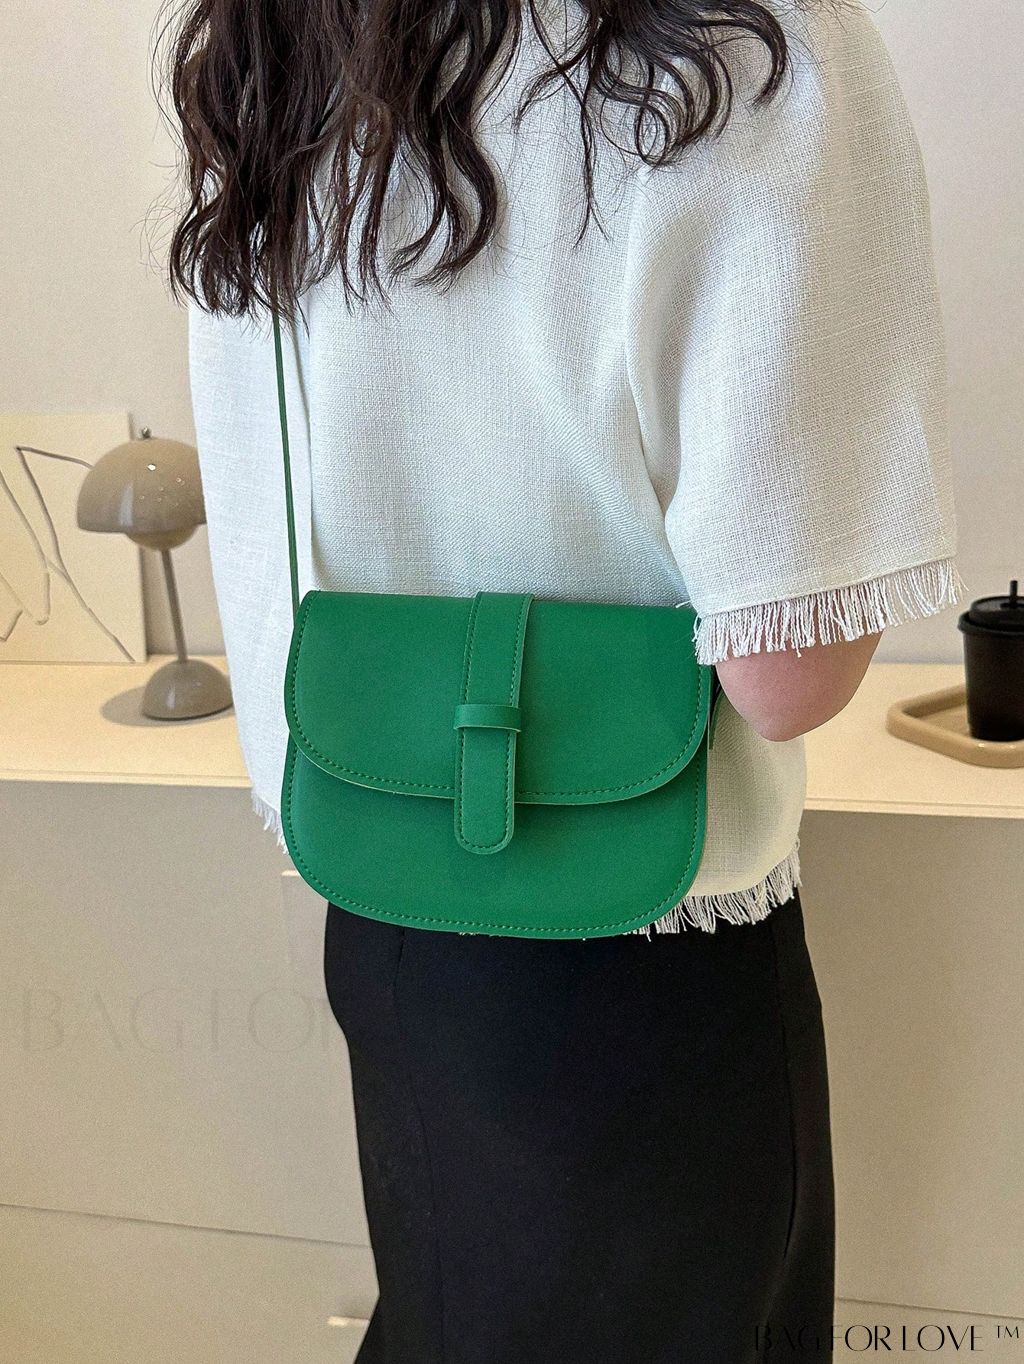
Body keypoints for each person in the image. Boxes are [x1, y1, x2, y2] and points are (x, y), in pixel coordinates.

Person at [168, 0, 962, 1358]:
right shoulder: (748, 42)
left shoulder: (277, 41)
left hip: (384, 898)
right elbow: (788, 673)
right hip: (648, 952)